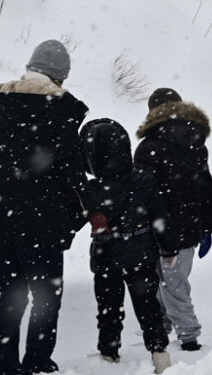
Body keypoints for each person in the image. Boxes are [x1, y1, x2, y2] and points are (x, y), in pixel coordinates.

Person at [0, 39, 88, 375]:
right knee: (45, 297)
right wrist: (77, 217)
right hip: (41, 225)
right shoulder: (61, 112)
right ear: (59, 77)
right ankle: (37, 361)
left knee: (10, 295)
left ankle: (2, 366)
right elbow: (73, 177)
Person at [78, 118, 173, 374]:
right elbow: (160, 216)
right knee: (148, 305)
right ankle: (159, 354)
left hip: (105, 252)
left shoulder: (89, 188)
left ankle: (108, 356)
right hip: (140, 250)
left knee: (108, 307)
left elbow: (75, 220)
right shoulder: (144, 179)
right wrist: (169, 247)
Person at [135, 88, 212, 352]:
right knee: (174, 279)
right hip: (190, 227)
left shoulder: (148, 147)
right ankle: (164, 322)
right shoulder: (196, 142)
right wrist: (206, 227)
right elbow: (206, 187)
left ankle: (189, 336)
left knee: (170, 282)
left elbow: (144, 194)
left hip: (159, 228)